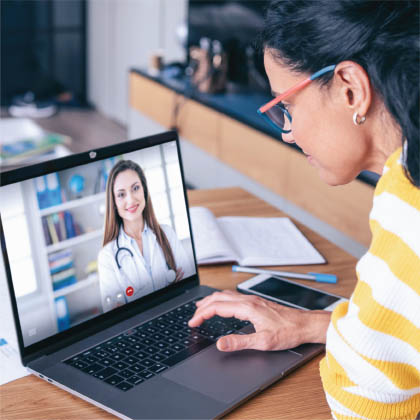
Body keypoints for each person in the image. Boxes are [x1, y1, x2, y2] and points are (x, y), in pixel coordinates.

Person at [189, 1, 420, 419]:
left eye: (288, 106)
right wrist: (319, 325)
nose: (289, 133)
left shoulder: (409, 209)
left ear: (351, 88)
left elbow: (363, 404)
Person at [97, 159, 194, 312]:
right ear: (114, 203)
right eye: (121, 194)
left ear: (144, 190)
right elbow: (115, 314)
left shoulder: (167, 233)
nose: (131, 199)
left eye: (135, 188)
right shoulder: (107, 257)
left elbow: (189, 289)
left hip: (178, 314)